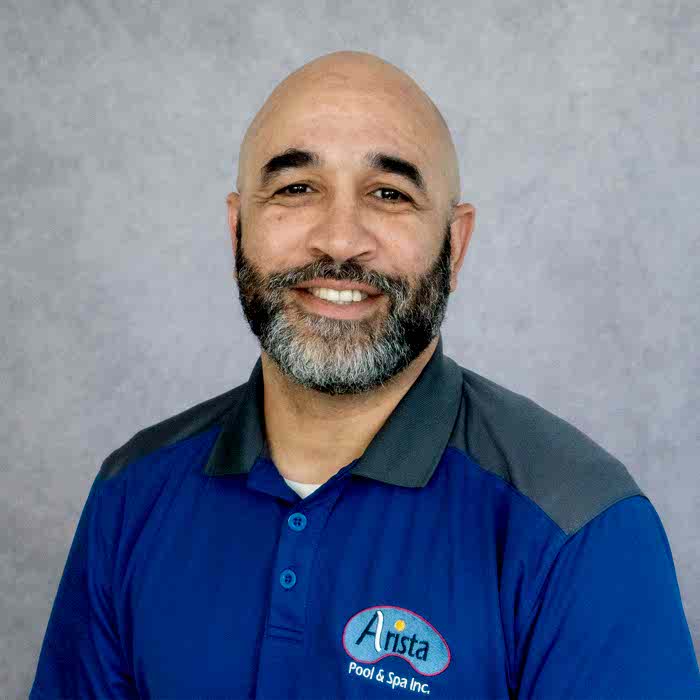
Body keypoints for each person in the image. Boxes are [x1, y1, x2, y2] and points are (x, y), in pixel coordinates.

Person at [30, 51, 698, 699]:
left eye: (388, 194)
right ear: (237, 230)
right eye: (296, 188)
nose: (340, 239)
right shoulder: (132, 493)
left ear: (455, 245)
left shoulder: (581, 527)